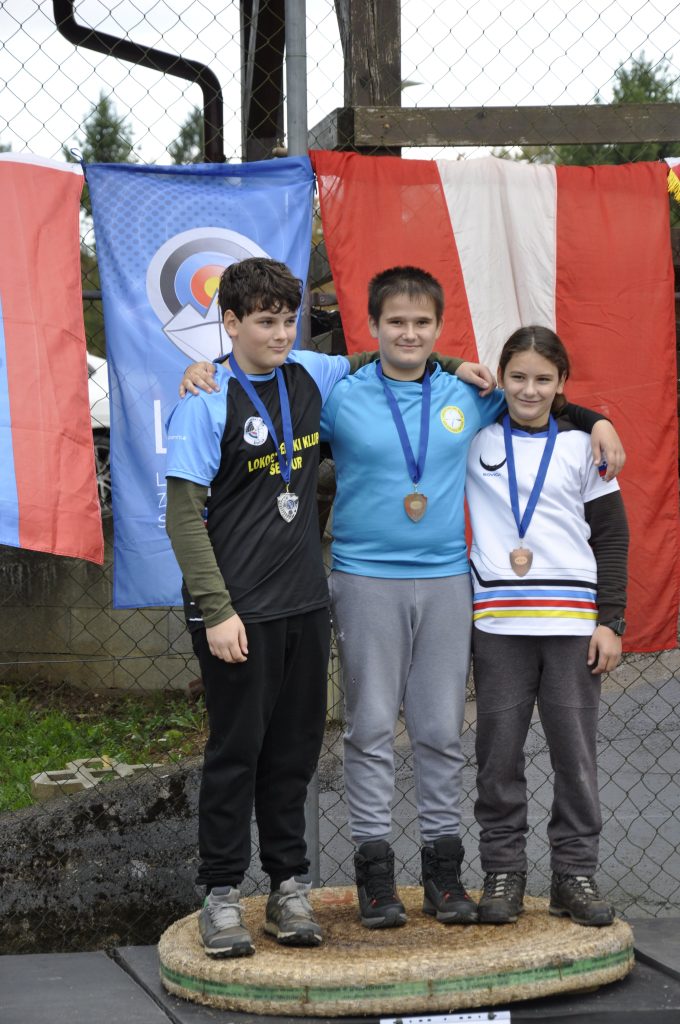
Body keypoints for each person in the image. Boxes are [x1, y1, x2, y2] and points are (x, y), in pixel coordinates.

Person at [180, 265, 624, 933]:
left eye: (421, 323)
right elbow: (258, 382)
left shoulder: (468, 393)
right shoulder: (338, 391)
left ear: (439, 328)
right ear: (374, 326)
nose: (409, 333)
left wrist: (598, 420)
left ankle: (443, 873)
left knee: (441, 731)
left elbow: (534, 401)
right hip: (363, 579)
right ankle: (375, 874)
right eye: (396, 322)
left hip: (446, 582)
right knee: (368, 730)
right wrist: (201, 371)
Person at [165, 258, 488, 958]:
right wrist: (216, 610)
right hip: (236, 611)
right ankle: (221, 894)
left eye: (288, 320)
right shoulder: (205, 398)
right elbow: (183, 517)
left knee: (292, 754)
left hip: (305, 602)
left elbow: (391, 355)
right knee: (235, 752)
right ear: (230, 324)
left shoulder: (312, 372)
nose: (280, 334)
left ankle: (288, 888)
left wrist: (454, 363)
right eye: (264, 322)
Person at [465, 325, 629, 927]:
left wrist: (611, 621)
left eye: (542, 379)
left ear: (561, 383)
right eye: (517, 377)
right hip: (498, 626)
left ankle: (573, 873)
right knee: (497, 757)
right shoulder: (474, 438)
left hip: (572, 626)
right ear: (501, 377)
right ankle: (503, 871)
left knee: (574, 757)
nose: (528, 390)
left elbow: (612, 537)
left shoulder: (584, 446)